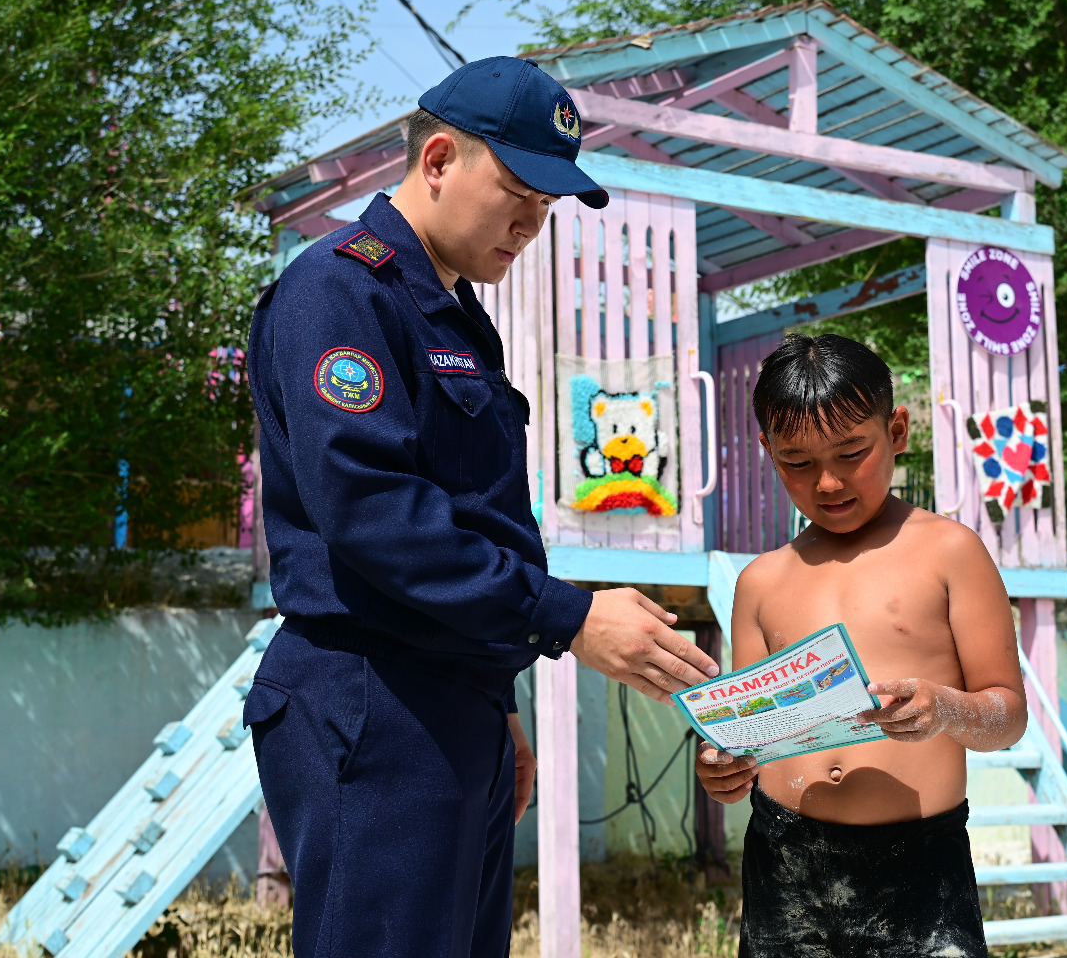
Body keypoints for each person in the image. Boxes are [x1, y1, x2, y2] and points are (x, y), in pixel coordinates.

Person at [244, 56, 720, 958]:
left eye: (548, 207)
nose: (532, 224)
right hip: (374, 699)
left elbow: (476, 511)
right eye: (518, 192)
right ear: (436, 161)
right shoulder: (341, 291)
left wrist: (495, 695)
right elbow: (377, 514)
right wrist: (569, 617)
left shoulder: (455, 315)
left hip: (451, 698)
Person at [693, 333, 1028, 958]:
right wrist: (727, 769)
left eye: (852, 452)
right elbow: (751, 735)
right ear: (766, 450)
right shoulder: (761, 581)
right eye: (796, 461)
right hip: (783, 856)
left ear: (896, 430)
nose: (827, 482)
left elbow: (1008, 716)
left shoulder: (949, 551)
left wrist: (946, 709)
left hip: (918, 866)